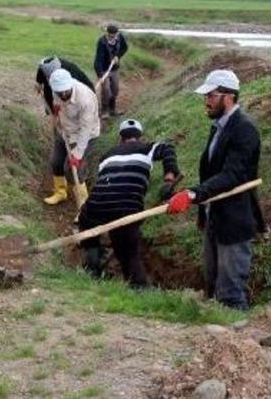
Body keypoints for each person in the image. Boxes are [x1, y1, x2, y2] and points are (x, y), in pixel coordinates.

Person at [166, 70, 266, 310]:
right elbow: (211, 171)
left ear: (228, 96)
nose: (206, 101)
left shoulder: (244, 129)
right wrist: (203, 209)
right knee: (212, 283)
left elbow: (232, 175)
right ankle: (214, 333)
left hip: (234, 220)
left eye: (211, 95)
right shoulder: (219, 127)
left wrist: (192, 194)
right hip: (215, 217)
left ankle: (237, 341)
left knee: (230, 291)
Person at [77, 119, 180, 287]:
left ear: (120, 138)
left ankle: (92, 268)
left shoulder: (106, 156)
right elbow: (168, 147)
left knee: (88, 228)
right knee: (128, 251)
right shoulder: (147, 148)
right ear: (140, 137)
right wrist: (169, 177)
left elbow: (105, 182)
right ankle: (138, 287)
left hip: (96, 204)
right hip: (126, 207)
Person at [43, 69, 100, 206]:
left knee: (73, 170)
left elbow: (85, 129)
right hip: (65, 130)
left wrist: (78, 154)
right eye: (59, 92)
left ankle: (83, 205)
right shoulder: (56, 89)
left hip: (84, 135)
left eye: (65, 92)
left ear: (70, 85)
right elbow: (56, 102)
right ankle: (60, 192)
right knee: (56, 162)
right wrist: (56, 111)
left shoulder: (85, 99)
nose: (63, 94)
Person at [93, 24, 129, 118]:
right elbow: (98, 60)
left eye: (114, 36)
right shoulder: (102, 42)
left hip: (115, 68)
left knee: (115, 89)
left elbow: (125, 48)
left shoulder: (120, 37)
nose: (112, 38)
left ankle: (112, 109)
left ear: (117, 34)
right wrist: (100, 75)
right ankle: (105, 111)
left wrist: (118, 56)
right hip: (104, 70)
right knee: (106, 90)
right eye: (110, 36)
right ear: (107, 33)